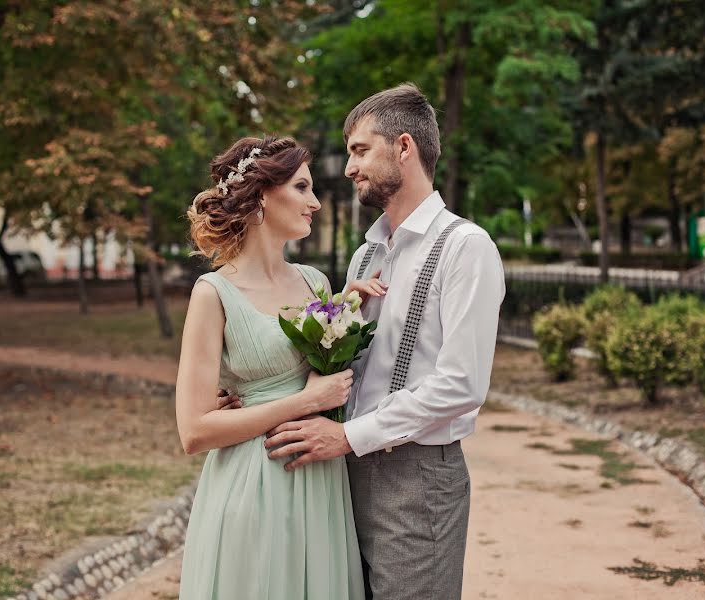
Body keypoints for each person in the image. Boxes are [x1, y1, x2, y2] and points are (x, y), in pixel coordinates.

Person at [263, 84, 505, 599]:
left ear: (403, 148)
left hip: (418, 481)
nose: (349, 167)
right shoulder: (364, 258)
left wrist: (349, 437)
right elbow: (343, 371)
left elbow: (462, 384)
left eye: (359, 150)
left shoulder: (465, 247)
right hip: (344, 477)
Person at [175, 135, 364, 599]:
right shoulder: (212, 294)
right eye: (301, 187)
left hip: (321, 483)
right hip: (253, 483)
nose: (315, 203)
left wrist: (352, 306)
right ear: (262, 195)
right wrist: (304, 401)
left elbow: (332, 369)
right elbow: (194, 431)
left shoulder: (316, 283)